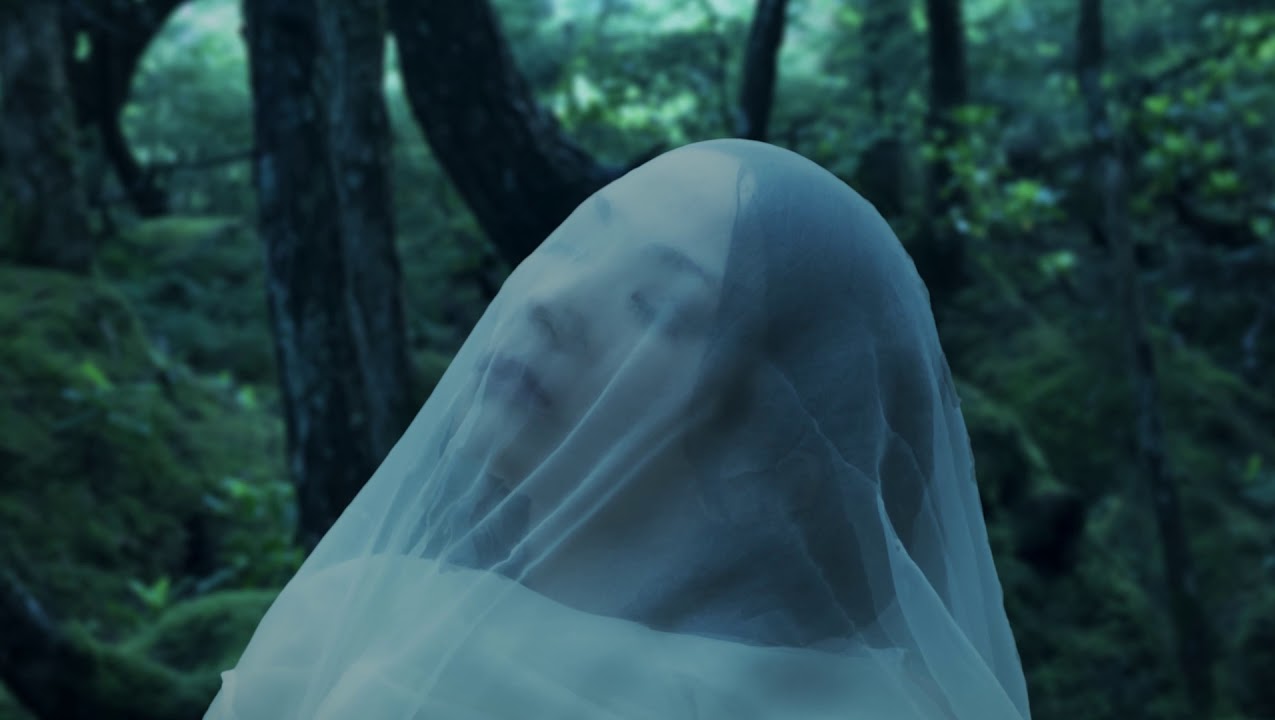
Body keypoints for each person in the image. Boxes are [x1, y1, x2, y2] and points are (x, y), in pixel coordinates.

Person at [204, 139, 1033, 719]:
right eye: (574, 246)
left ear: (768, 457)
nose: (552, 302)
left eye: (657, 306)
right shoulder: (350, 620)